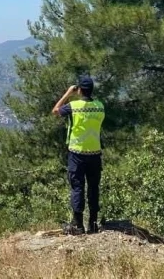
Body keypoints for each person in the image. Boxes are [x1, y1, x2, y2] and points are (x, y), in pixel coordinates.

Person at [52, 75, 105, 235]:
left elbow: (55, 111)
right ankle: (93, 224)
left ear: (79, 90)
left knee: (77, 187)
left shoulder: (73, 106)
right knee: (93, 188)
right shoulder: (100, 106)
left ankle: (78, 225)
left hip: (77, 153)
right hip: (95, 153)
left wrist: (68, 94)